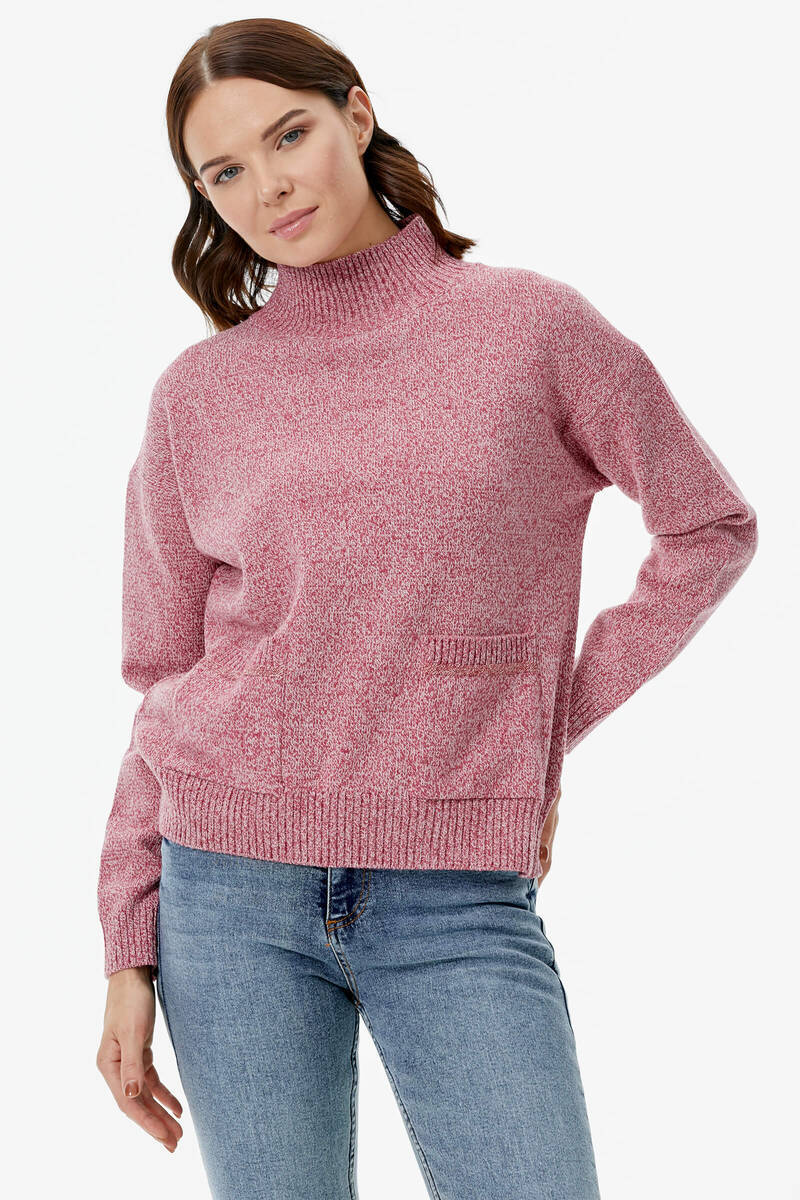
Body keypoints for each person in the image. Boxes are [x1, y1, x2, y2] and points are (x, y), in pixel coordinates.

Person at [95, 17, 758, 1199]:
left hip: (454, 896)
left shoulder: (530, 330)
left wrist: (540, 724)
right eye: (223, 172)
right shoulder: (199, 394)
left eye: (287, 135)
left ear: (354, 113)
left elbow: (707, 527)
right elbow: (164, 681)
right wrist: (126, 947)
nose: (267, 186)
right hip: (223, 895)